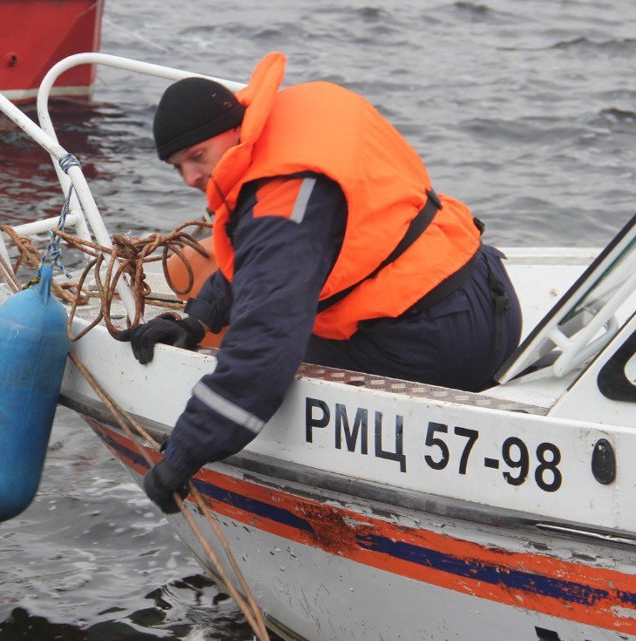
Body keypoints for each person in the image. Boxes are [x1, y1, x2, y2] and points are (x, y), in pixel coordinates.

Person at [118, 51, 522, 514]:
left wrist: (181, 458)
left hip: (436, 345)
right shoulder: (299, 122)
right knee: (260, 323)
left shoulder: (284, 200)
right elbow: (272, 259)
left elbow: (265, 342)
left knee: (258, 356)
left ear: (234, 131)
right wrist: (196, 321)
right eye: (177, 166)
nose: (191, 177)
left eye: (197, 156)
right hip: (489, 298)